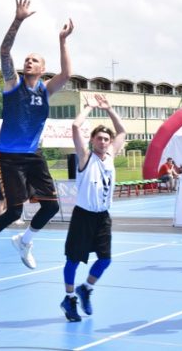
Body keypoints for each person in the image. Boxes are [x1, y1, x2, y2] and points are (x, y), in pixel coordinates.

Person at [0, 0, 74, 274]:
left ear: (41, 69)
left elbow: (66, 73)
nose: (28, 62)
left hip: (33, 155)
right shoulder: (13, 84)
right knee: (14, 211)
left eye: (34, 60)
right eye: (27, 59)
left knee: (51, 207)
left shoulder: (45, 90)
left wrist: (62, 40)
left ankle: (25, 240)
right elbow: (4, 52)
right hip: (9, 158)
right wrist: (18, 19)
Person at [60, 94, 126, 322]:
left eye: (106, 139)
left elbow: (122, 132)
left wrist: (109, 109)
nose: (104, 142)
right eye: (99, 138)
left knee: (105, 259)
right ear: (92, 141)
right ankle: (69, 299)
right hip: (83, 216)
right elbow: (75, 126)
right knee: (73, 260)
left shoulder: (110, 156)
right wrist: (88, 107)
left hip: (102, 217)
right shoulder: (85, 157)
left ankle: (86, 289)